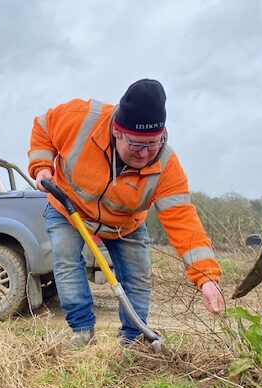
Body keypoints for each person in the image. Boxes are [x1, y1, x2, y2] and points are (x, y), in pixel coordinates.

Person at [28, 79, 224, 348]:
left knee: (137, 278)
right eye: (136, 145)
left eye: (153, 144)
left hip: (125, 225)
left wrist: (206, 278)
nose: (145, 153)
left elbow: (183, 222)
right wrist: (41, 166)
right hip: (68, 208)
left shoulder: (167, 166)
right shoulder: (81, 119)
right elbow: (42, 127)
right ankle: (82, 332)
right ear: (117, 132)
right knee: (65, 262)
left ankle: (132, 341)